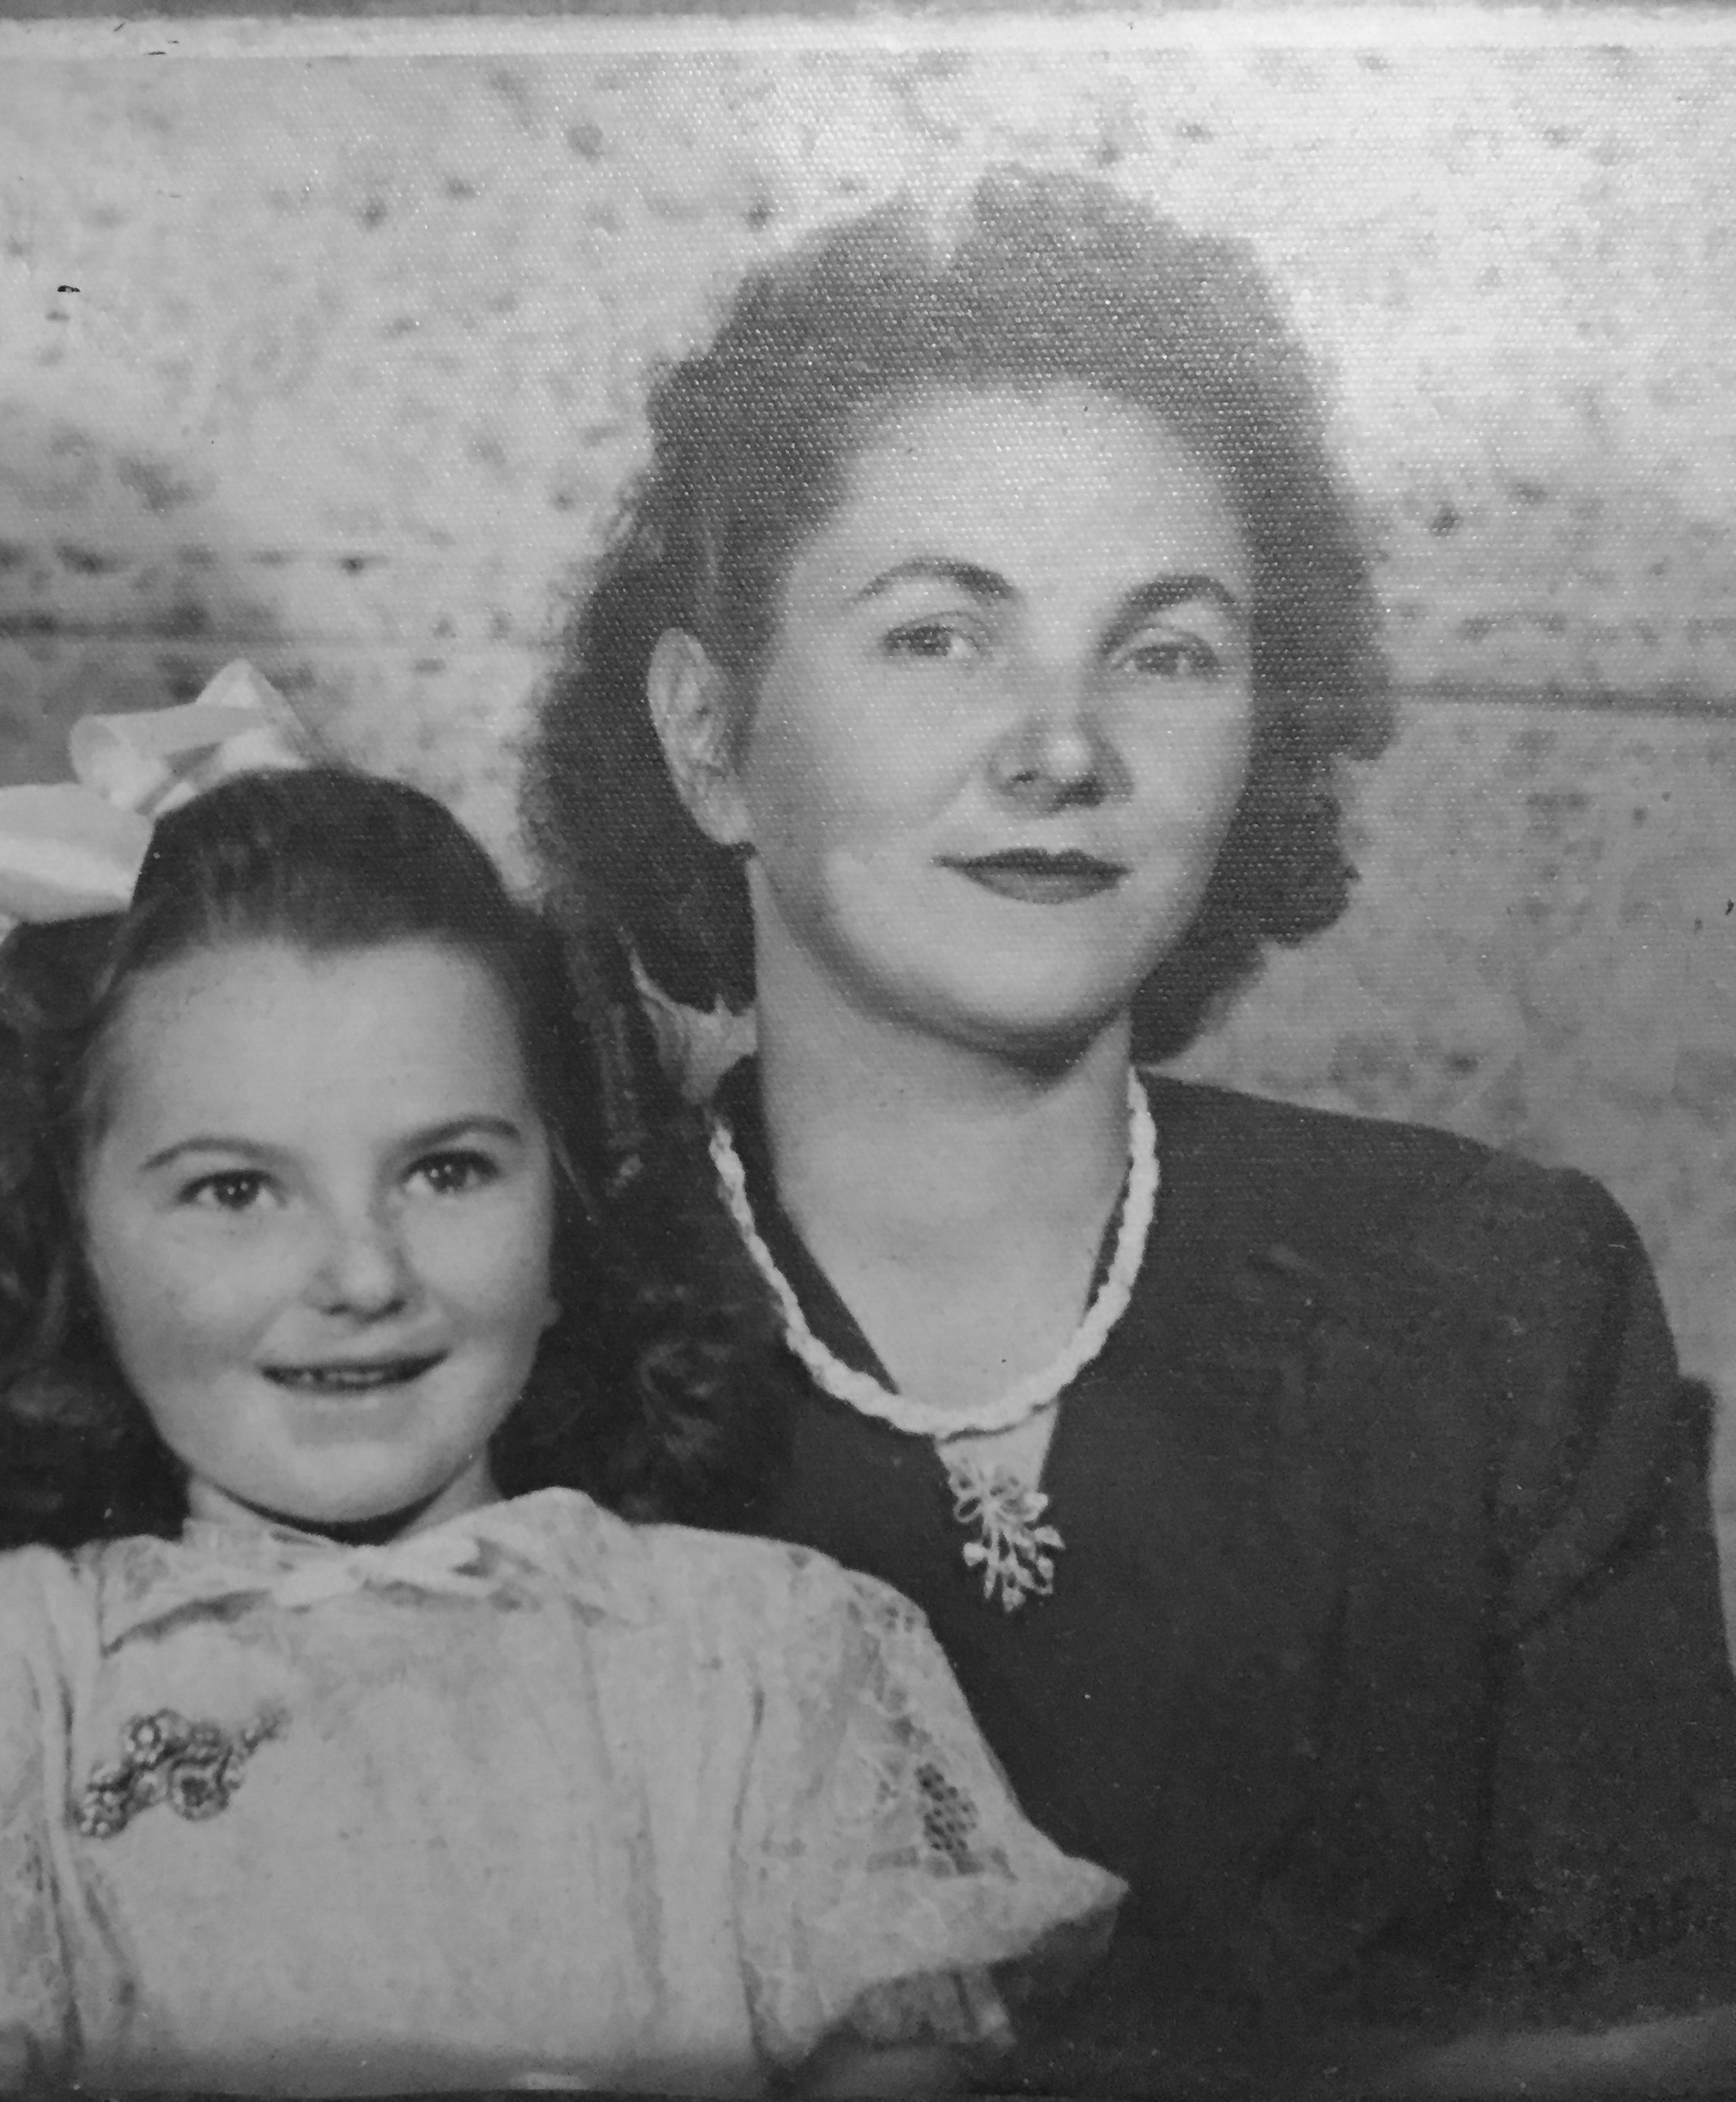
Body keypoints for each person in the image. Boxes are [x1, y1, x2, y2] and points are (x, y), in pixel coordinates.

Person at [524, 167, 1736, 2090]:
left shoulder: (1503, 1304)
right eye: (940, 636)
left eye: (1164, 650)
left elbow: (1654, 2045)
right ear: (704, 735)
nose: (1062, 747)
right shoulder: (508, 1330)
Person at [0, 730, 1122, 2097]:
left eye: (444, 1172)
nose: (364, 1276)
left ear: (570, 1195)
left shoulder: (776, 1669)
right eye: (236, 1191)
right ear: (68, 1238)